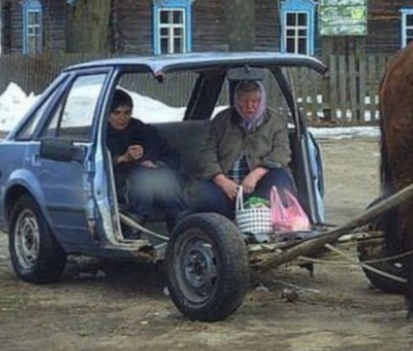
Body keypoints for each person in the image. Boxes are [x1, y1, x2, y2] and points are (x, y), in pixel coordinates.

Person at [192, 79, 295, 219]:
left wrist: (256, 174)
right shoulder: (221, 120)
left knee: (280, 180)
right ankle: (225, 226)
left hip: (259, 184)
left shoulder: (275, 121)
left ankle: (265, 219)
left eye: (255, 101)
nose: (249, 106)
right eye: (243, 101)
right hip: (225, 185)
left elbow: (282, 153)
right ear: (236, 101)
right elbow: (206, 153)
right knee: (201, 194)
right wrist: (222, 180)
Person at [106, 89, 185, 235]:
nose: (122, 118)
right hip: (121, 184)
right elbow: (98, 164)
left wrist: (156, 163)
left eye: (126, 113)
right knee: (144, 181)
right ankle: (133, 234)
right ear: (107, 114)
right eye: (116, 113)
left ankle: (180, 238)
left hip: (157, 180)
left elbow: (172, 154)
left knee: (165, 183)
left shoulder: (142, 130)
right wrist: (123, 158)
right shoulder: (102, 134)